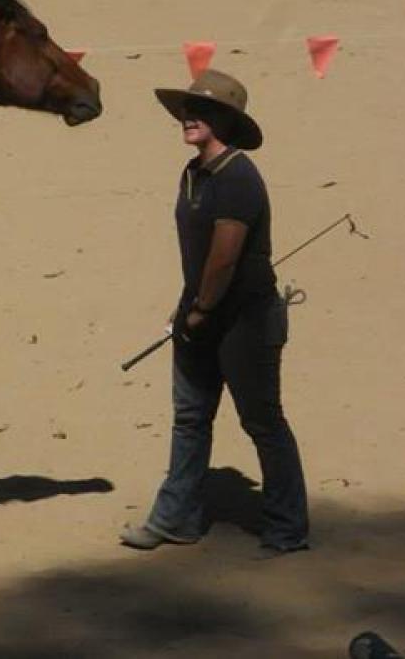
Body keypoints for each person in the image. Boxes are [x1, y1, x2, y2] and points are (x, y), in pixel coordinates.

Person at [120, 69, 309, 556]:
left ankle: (288, 526)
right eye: (187, 110)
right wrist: (187, 308)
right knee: (190, 418)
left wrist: (202, 310)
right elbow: (199, 256)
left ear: (225, 120)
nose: (188, 117)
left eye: (201, 111)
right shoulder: (192, 174)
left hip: (246, 320)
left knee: (262, 423)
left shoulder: (239, 176)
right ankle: (175, 519)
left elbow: (225, 256)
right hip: (198, 315)